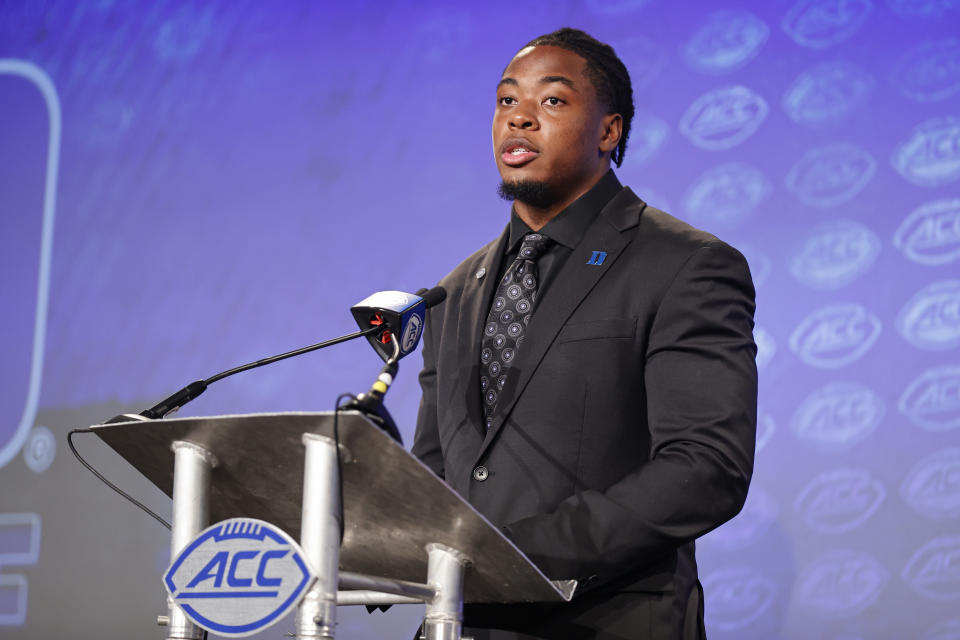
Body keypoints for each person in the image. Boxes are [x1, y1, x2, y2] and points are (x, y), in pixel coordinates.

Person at [412, 28, 758, 639]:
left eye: (551, 101)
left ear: (608, 131)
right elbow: (436, 471)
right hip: (463, 626)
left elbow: (705, 468)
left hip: (608, 620)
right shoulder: (453, 291)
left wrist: (515, 556)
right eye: (505, 100)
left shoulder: (684, 264)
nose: (518, 119)